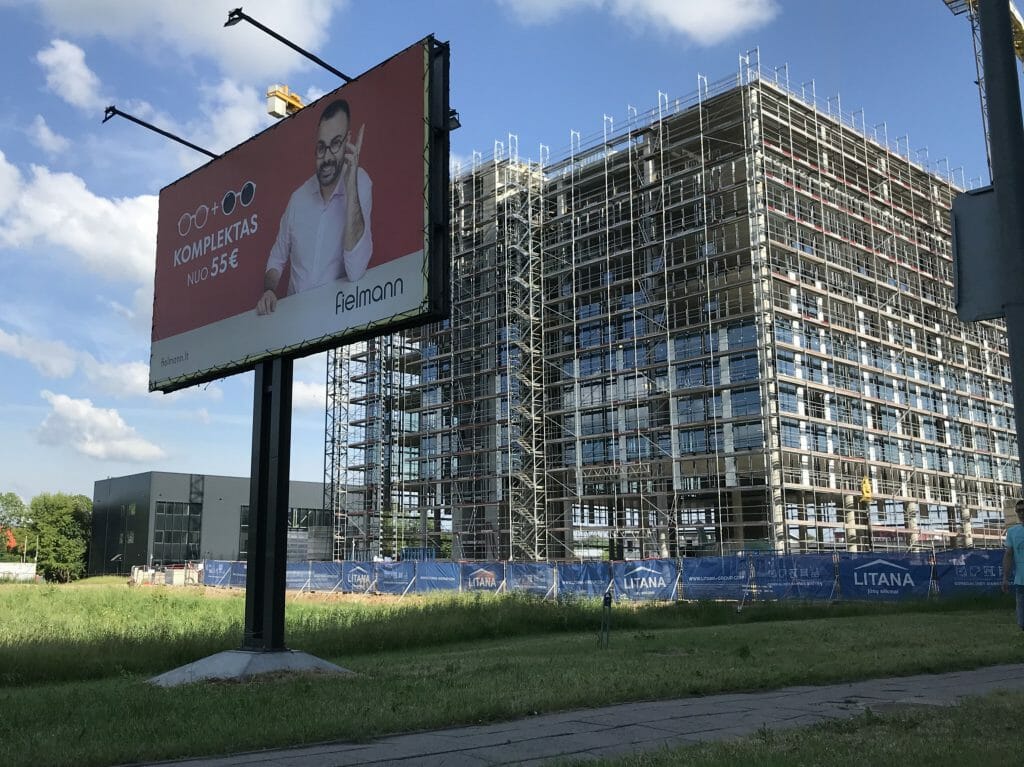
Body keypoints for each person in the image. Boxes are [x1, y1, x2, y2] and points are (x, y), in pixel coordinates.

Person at [256, 98, 372, 315]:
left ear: (348, 141)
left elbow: (356, 270)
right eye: (321, 147)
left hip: (338, 317)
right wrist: (269, 290)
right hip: (295, 325)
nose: (327, 157)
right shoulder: (297, 199)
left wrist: (350, 186)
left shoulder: (360, 182)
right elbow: (277, 257)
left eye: (336, 144)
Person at [1002, 499, 1024, 632]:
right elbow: (1008, 555)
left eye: (1023, 510)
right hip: (1021, 583)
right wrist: (1005, 577)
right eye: (1019, 511)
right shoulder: (1012, 532)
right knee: (1022, 622)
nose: (1021, 513)